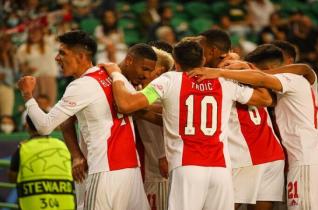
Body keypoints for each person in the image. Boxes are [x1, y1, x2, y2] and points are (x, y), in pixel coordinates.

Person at [101, 40, 273, 210]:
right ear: (203, 60)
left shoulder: (169, 80)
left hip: (187, 167)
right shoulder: (223, 81)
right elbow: (265, 98)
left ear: (176, 62)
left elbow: (126, 104)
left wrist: (116, 74)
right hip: (221, 169)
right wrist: (235, 70)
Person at [189, 45, 318, 210]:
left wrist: (220, 72)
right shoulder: (290, 88)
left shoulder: (293, 80)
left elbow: (264, 79)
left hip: (305, 161)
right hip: (309, 160)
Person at [17, 30, 156, 210]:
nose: (57, 58)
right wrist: (76, 155)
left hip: (105, 172)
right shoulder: (113, 75)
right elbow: (67, 122)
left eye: (62, 53)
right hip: (131, 171)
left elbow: (44, 127)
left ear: (81, 56)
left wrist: (27, 95)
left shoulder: (81, 85)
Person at [198, 29, 285, 210]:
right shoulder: (242, 67)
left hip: (246, 154)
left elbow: (266, 100)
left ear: (212, 50)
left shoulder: (220, 76)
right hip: (271, 152)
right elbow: (268, 98)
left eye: (201, 47)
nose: (198, 52)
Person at [8, 115, 75, 210]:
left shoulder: (23, 149)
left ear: (27, 126)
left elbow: (12, 178)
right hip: (65, 205)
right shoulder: (64, 146)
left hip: (32, 205)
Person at [136, 46, 174, 210]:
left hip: (160, 168)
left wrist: (162, 155)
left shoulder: (163, 94)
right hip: (147, 168)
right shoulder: (143, 91)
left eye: (148, 69)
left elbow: (166, 119)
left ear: (160, 71)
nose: (143, 73)